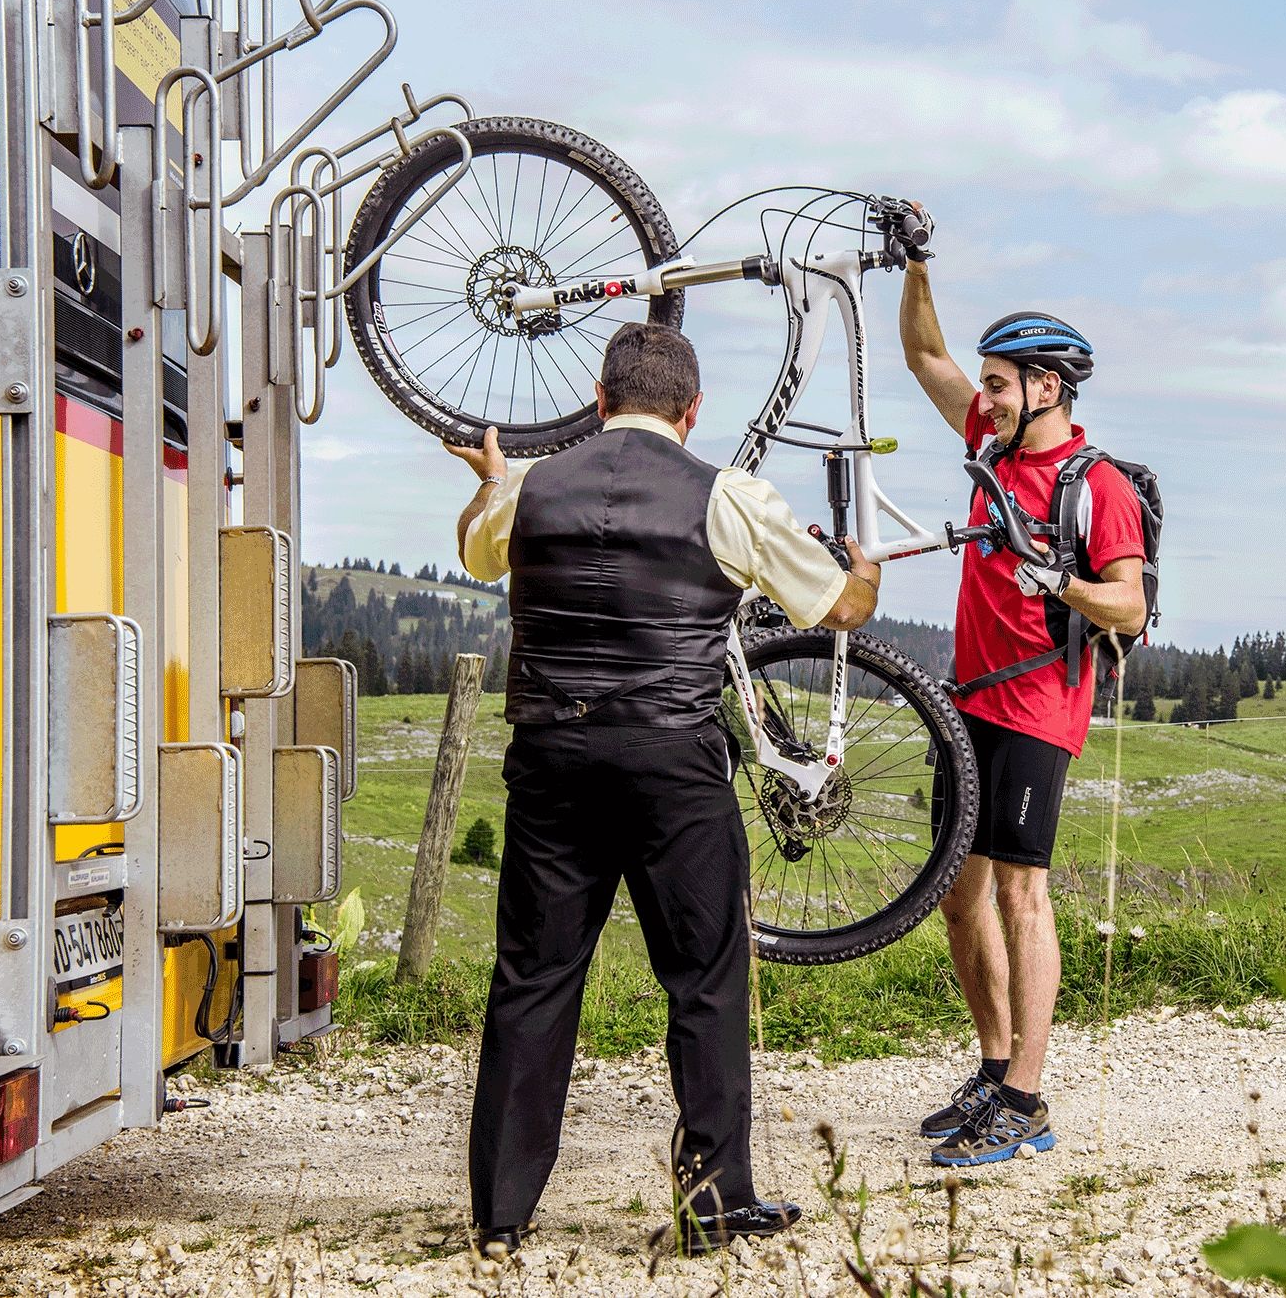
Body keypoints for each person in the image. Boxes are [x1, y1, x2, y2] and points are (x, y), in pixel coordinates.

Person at [448, 321, 881, 1252]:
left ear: (600, 402)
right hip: (672, 764)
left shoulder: (530, 486)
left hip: (551, 759)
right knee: (706, 981)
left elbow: (474, 552)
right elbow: (842, 607)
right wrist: (866, 570)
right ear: (691, 411)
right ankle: (712, 1206)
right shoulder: (731, 496)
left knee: (532, 978)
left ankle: (500, 1215)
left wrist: (490, 477)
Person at [898, 252, 1148, 1168]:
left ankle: (1027, 1100)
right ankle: (994, 1068)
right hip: (967, 702)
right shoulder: (993, 443)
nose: (989, 398)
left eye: (1001, 384)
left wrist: (1065, 582)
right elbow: (926, 356)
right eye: (991, 386)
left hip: (1042, 703)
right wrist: (918, 261)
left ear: (1048, 385)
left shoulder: (1098, 484)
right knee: (957, 901)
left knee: (1018, 892)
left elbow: (1132, 604)